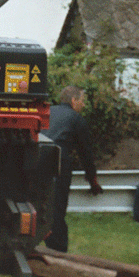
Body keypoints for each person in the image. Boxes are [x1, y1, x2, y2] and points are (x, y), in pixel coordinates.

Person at [45, 85, 103, 252]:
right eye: (82, 101)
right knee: (57, 209)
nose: (83, 105)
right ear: (73, 100)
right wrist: (93, 181)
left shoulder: (47, 111)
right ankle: (58, 251)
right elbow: (86, 154)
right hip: (58, 166)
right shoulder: (76, 119)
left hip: (35, 161)